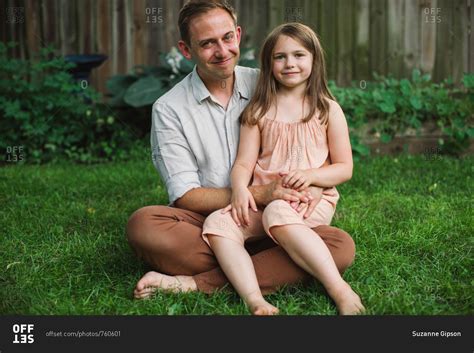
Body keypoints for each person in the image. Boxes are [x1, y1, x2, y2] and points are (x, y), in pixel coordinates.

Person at [127, 0, 356, 305]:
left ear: (238, 34)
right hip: (219, 218)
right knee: (145, 225)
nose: (222, 51)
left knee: (339, 245)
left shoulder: (270, 83)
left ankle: (198, 281)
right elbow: (185, 197)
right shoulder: (170, 109)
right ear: (186, 50)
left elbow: (320, 148)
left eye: (227, 38)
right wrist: (260, 193)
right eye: (207, 44)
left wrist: (313, 181)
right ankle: (277, 263)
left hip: (290, 215)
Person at [201, 22, 365, 315]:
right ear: (269, 63)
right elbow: (243, 163)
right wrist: (239, 190)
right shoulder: (258, 111)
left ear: (314, 60)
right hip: (266, 200)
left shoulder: (327, 110)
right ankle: (255, 299)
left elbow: (344, 168)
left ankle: (339, 288)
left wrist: (312, 176)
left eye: (299, 55)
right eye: (280, 57)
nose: (290, 63)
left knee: (279, 213)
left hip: (307, 201)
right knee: (217, 222)